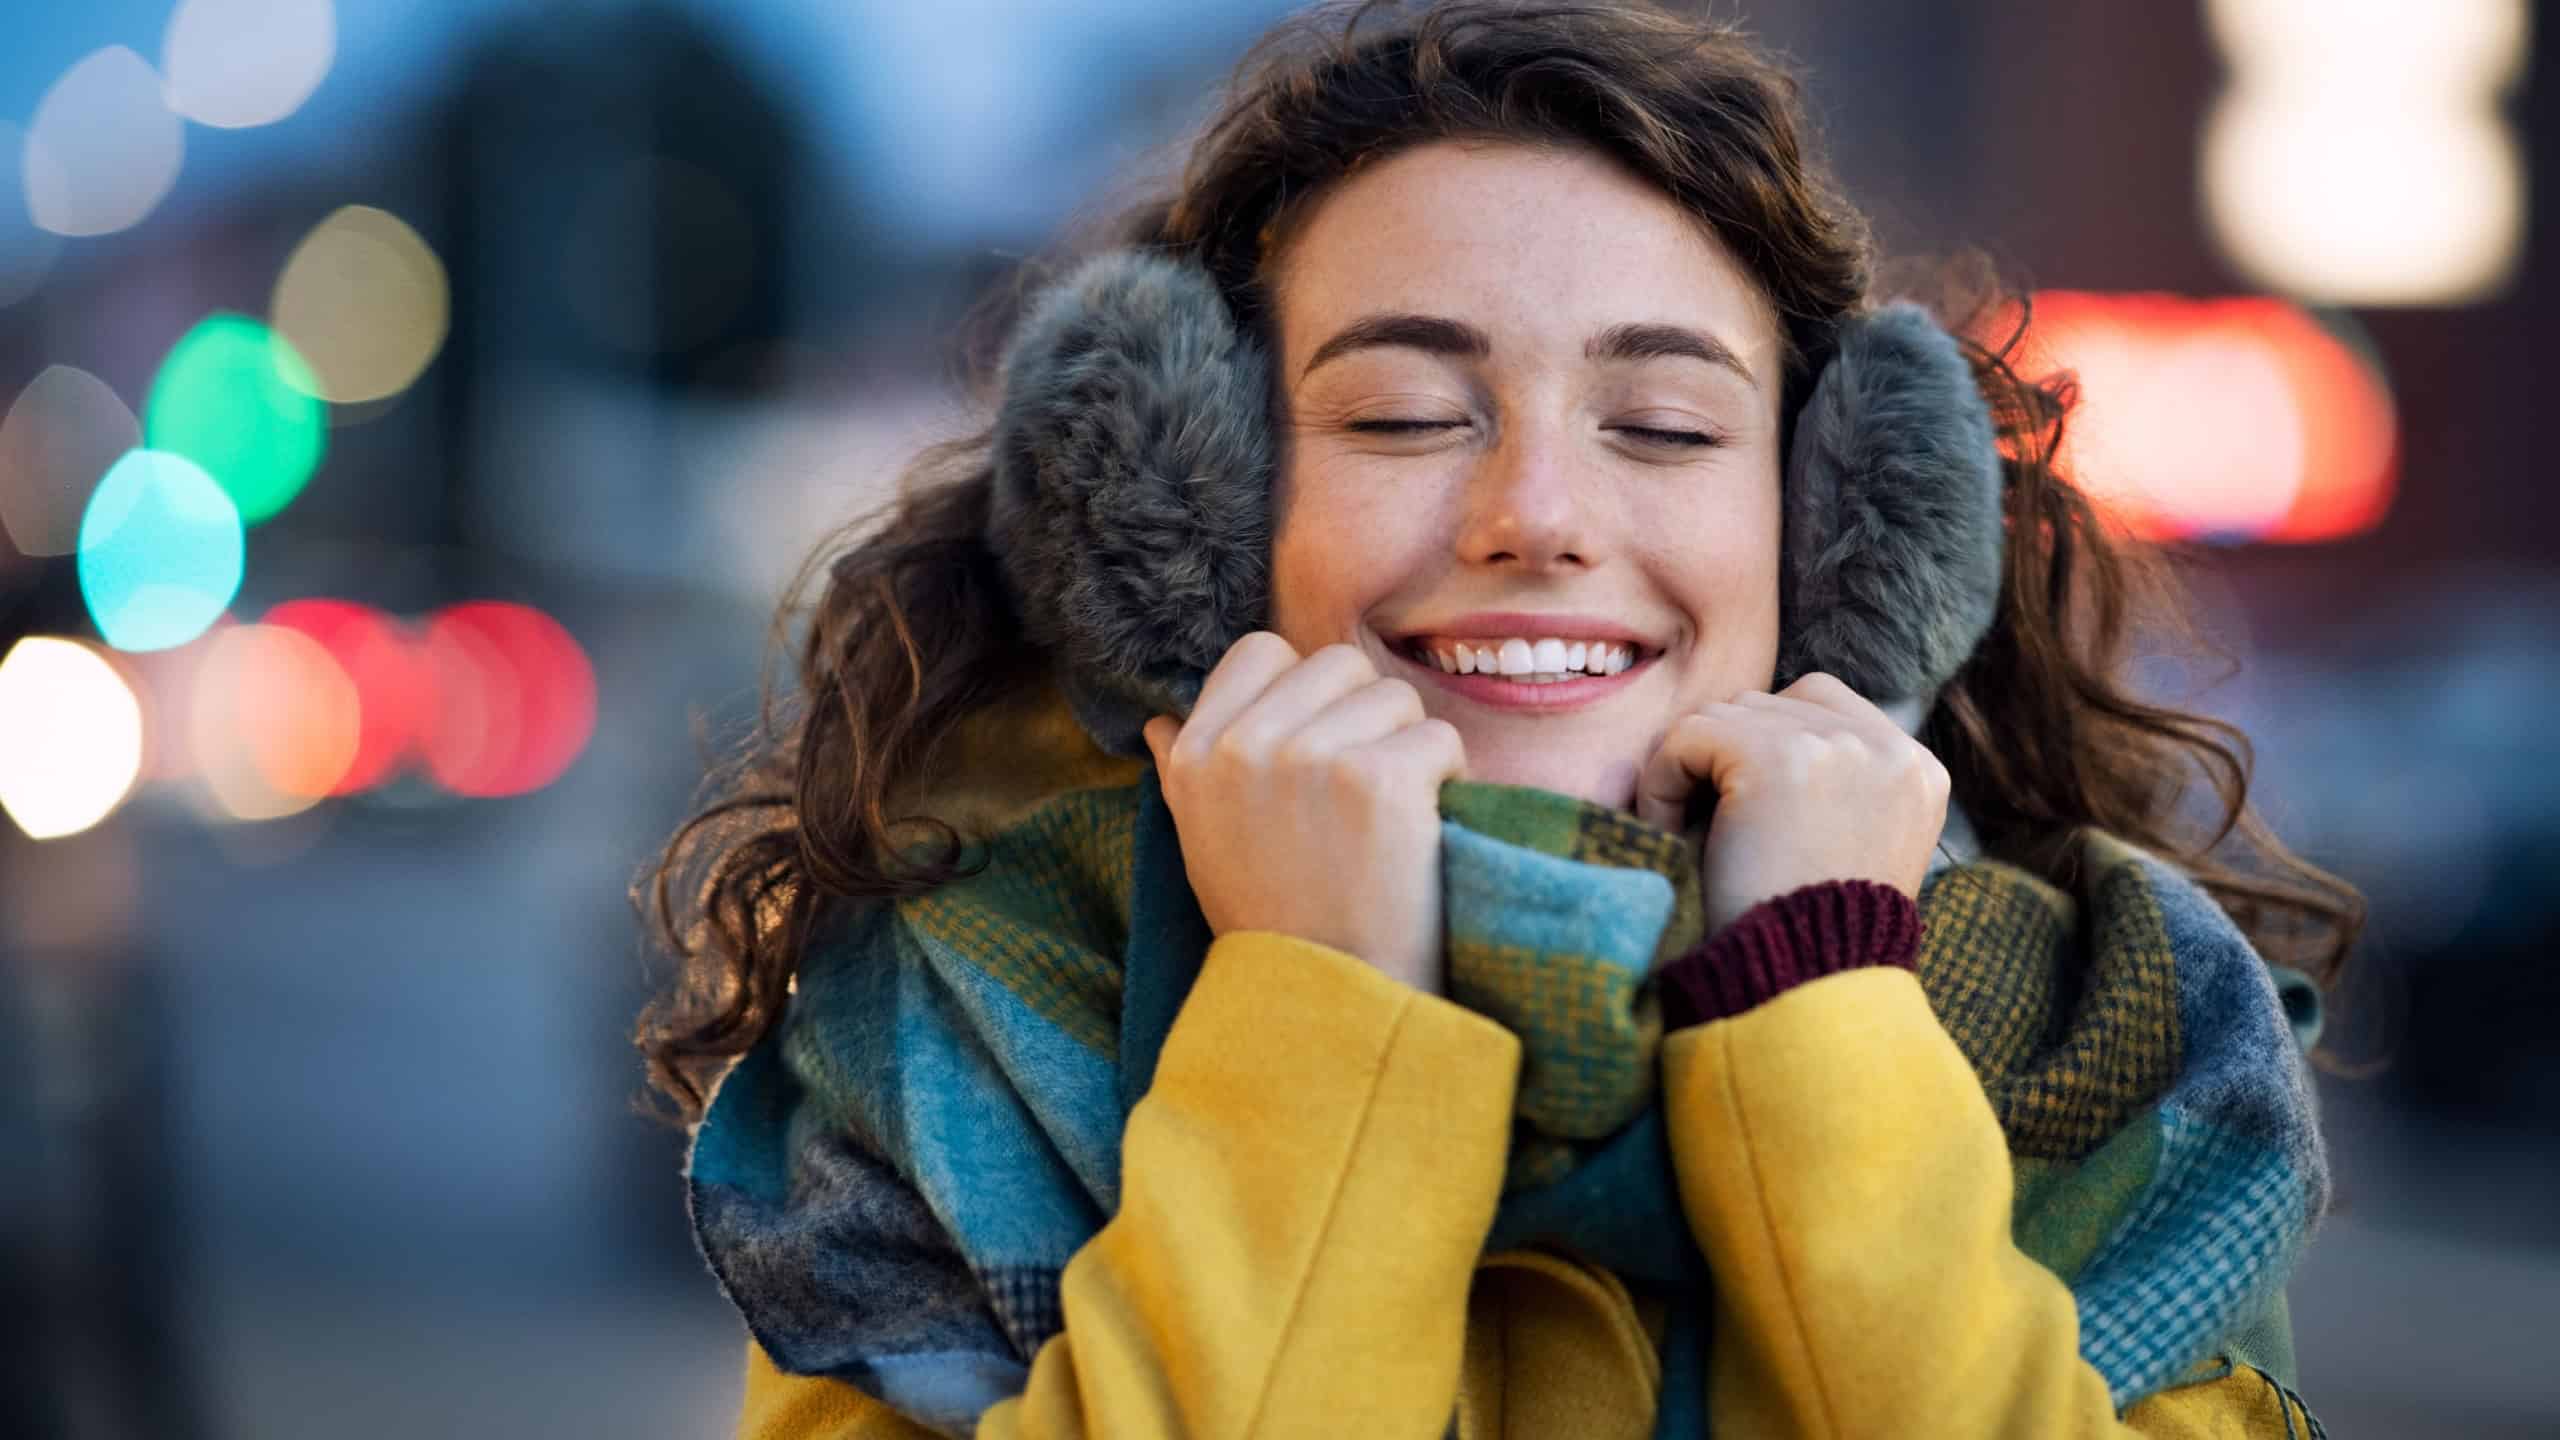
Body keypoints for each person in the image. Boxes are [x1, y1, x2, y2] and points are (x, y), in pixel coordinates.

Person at [637, 2, 2365, 1435]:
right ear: (1194, 516)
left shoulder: (2104, 1039)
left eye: (1667, 428)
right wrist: (1317, 1015)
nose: (1535, 514)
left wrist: (1820, 999)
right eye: (1401, 415)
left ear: (1841, 533)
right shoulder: (956, 1050)